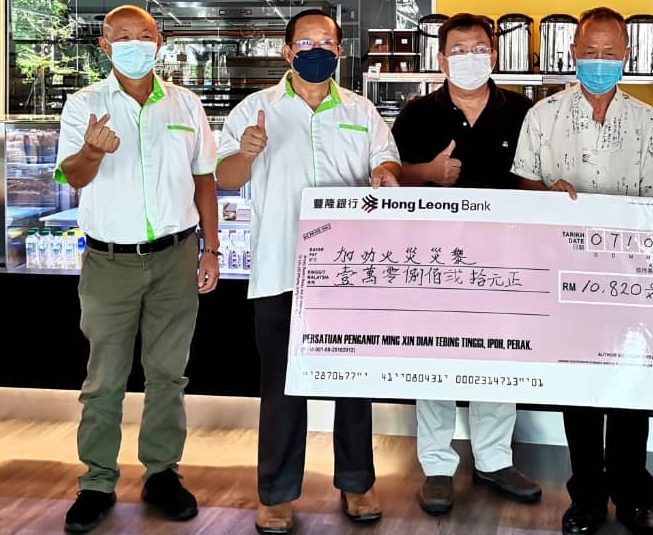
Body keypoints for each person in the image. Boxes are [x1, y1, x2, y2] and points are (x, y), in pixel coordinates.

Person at [215, 8, 400, 534]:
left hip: (349, 272)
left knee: (354, 382)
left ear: (339, 52)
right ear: (287, 51)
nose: (316, 51)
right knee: (281, 386)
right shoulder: (255, 110)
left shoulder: (362, 110)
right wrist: (246, 153)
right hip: (281, 267)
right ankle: (275, 494)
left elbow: (386, 161)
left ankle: (357, 483)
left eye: (326, 43)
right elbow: (226, 177)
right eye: (305, 43)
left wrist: (386, 174)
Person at [511, 7, 653, 535]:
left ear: (626, 55)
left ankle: (634, 499)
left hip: (632, 277)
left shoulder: (650, 123)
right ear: (573, 54)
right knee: (579, 386)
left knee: (631, 385)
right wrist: (547, 192)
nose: (599, 61)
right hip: (564, 274)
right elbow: (524, 183)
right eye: (590, 52)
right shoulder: (543, 116)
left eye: (610, 53)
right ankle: (585, 498)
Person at [54, 5, 220, 533]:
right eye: (121, 37)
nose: (133, 44)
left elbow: (205, 179)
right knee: (104, 378)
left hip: (176, 256)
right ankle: (97, 480)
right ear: (105, 47)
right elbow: (73, 176)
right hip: (109, 262)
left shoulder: (185, 103)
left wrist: (211, 249)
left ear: (159, 41)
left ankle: (162, 473)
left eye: (142, 35)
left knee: (168, 374)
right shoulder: (85, 104)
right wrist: (92, 151)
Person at [390, 13, 542, 516]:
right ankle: (436, 465)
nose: (470, 57)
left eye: (479, 48)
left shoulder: (522, 111)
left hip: (506, 258)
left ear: (493, 55)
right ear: (442, 59)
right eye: (459, 50)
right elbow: (390, 176)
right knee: (433, 357)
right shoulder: (417, 113)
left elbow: (534, 178)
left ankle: (494, 459)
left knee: (499, 356)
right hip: (435, 258)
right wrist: (428, 172)